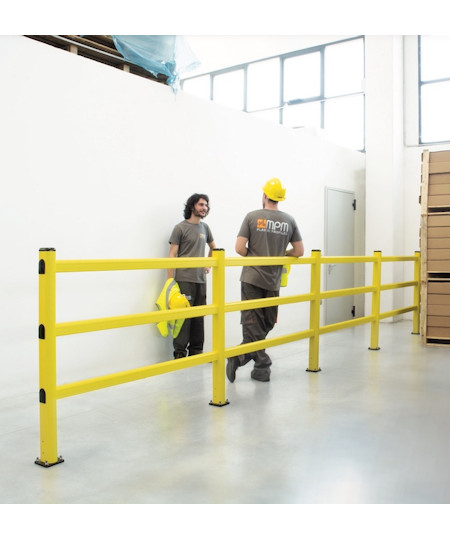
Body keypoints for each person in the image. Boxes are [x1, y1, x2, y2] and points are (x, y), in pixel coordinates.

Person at [227, 178, 304, 383]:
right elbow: (299, 251)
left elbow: (239, 248)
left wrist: (255, 255)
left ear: (264, 195)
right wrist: (280, 253)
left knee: (254, 324)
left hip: (251, 278)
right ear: (280, 198)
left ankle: (239, 357)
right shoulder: (289, 220)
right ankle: (262, 367)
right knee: (265, 323)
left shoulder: (252, 217)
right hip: (273, 280)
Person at [168, 193, 216, 359]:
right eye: (201, 205)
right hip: (184, 280)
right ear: (192, 206)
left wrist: (208, 263)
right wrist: (169, 281)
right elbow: (172, 254)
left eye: (206, 205)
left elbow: (214, 249)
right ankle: (180, 354)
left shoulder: (205, 228)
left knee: (199, 317)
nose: (204, 208)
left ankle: (197, 352)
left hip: (200, 280)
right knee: (183, 319)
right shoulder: (180, 228)